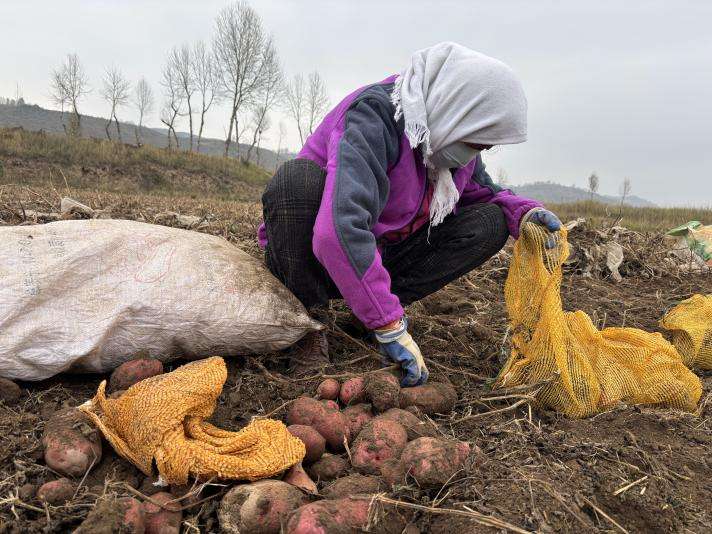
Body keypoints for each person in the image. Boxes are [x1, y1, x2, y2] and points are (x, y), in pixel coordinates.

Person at [258, 42, 561, 386]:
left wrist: (523, 213)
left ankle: (367, 313)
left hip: (377, 254)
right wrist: (388, 323)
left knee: (490, 222)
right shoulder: (374, 117)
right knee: (295, 181)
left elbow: (485, 194)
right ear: (456, 110)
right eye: (477, 144)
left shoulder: (446, 140)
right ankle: (309, 325)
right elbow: (336, 230)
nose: (475, 155)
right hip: (310, 256)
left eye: (484, 147)